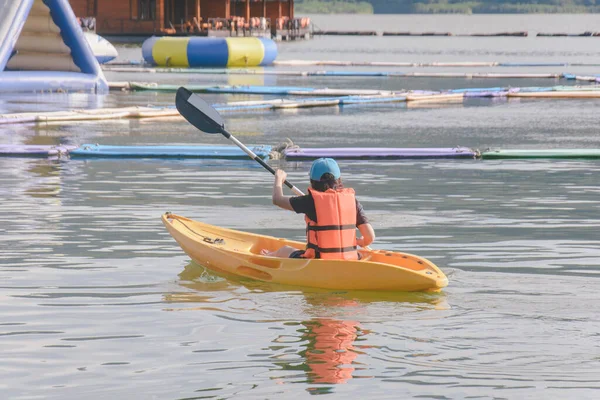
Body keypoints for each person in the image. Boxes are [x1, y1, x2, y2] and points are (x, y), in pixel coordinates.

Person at [263, 158, 375, 259]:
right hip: (350, 258)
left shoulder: (310, 201)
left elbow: (277, 199)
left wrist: (279, 178)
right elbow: (370, 237)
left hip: (319, 260)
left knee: (285, 250)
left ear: (312, 182)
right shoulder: (352, 202)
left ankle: (269, 256)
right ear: (339, 180)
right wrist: (361, 241)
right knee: (360, 253)